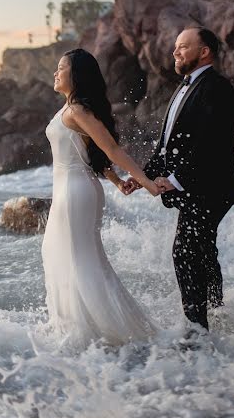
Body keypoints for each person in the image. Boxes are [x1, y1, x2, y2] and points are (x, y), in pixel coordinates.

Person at [40, 48, 158, 348]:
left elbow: (112, 150)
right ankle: (82, 330)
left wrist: (146, 182)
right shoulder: (70, 109)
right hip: (74, 190)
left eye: (61, 67)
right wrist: (116, 180)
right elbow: (90, 152)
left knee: (81, 261)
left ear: (76, 75)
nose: (56, 73)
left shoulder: (79, 111)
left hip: (75, 193)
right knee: (66, 256)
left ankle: (106, 334)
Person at [140, 26, 234, 331]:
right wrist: (142, 176)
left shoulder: (218, 88)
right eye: (175, 47)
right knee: (201, 249)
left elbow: (212, 143)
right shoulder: (184, 87)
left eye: (183, 47)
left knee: (186, 251)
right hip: (195, 186)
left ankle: (197, 327)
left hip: (211, 187)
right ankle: (216, 312)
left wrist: (175, 180)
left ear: (204, 52)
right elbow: (168, 144)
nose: (175, 52)